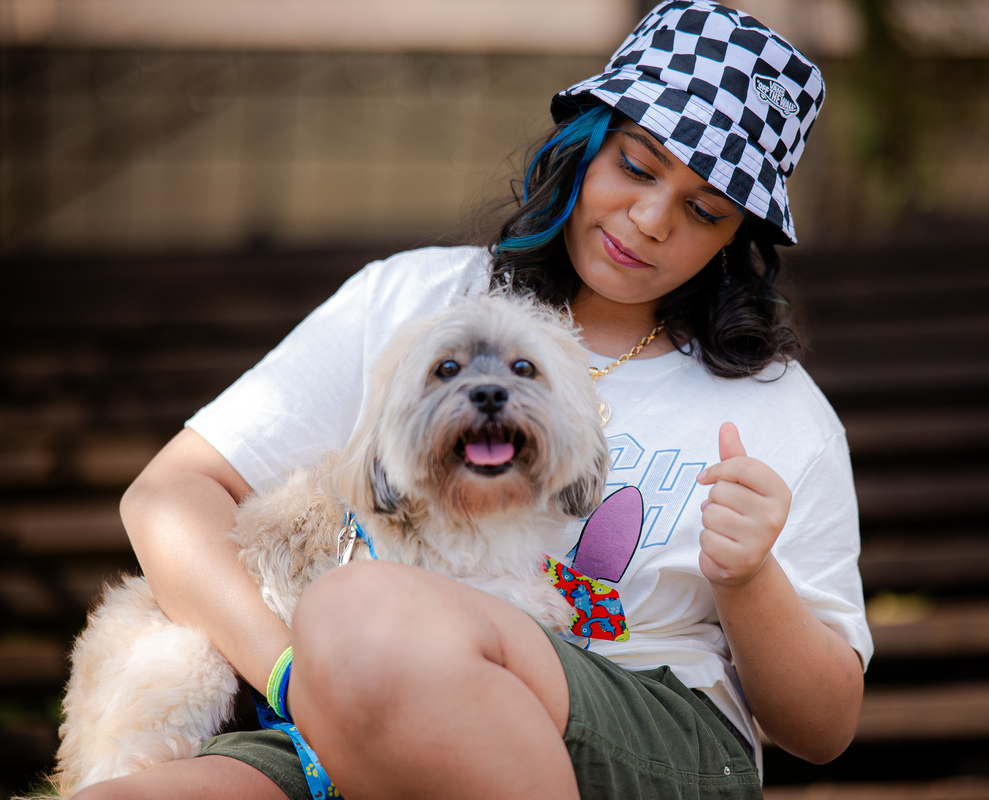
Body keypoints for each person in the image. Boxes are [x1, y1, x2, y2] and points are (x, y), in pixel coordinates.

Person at [75, 3, 871, 799]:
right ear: (584, 144)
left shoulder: (774, 410)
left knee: (365, 608)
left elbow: (824, 727)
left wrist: (748, 579)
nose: (650, 220)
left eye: (704, 210)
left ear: (735, 236)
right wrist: (291, 677)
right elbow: (169, 496)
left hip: (647, 734)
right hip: (350, 701)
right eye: (636, 165)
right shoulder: (409, 299)